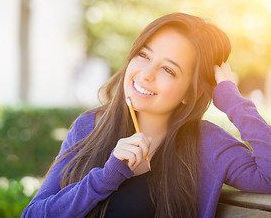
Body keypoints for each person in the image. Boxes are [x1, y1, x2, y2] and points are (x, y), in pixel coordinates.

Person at [21, 13, 271, 218]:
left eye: (168, 70)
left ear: (189, 93)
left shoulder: (207, 143)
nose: (146, 74)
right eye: (143, 55)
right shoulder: (89, 127)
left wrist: (232, 100)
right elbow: (32, 215)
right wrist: (107, 177)